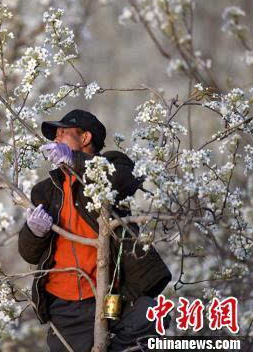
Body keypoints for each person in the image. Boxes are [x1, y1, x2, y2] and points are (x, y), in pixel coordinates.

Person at [18, 109, 171, 352]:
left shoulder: (113, 164)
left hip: (109, 296)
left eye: (63, 132)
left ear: (85, 138)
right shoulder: (44, 191)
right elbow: (29, 254)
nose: (56, 139)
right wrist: (33, 232)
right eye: (54, 134)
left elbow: (122, 179)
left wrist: (75, 161)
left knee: (152, 315)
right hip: (64, 306)